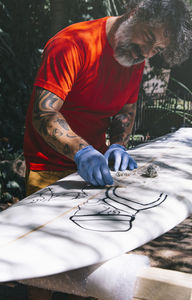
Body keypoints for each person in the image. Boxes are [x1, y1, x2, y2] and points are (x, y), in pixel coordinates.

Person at [23, 0, 191, 299]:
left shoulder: (134, 59)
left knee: (93, 253)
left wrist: (117, 143)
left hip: (97, 166)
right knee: (42, 263)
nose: (147, 53)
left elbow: (125, 110)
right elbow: (43, 114)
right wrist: (81, 151)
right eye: (149, 39)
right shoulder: (73, 43)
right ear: (135, 11)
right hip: (49, 164)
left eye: (157, 49)